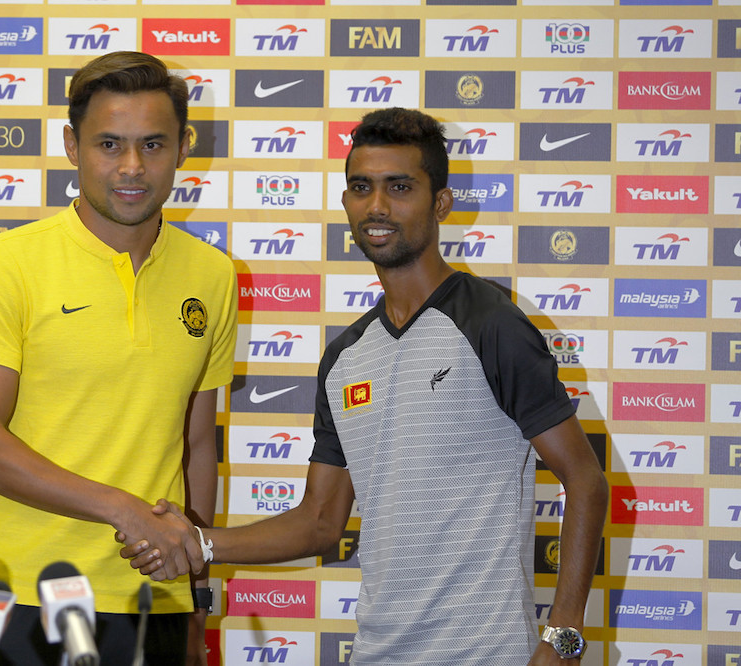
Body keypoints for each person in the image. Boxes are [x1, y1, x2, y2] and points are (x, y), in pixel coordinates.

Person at [120, 108, 608, 665]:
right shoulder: (346, 357)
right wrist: (198, 542)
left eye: (400, 187)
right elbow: (320, 523)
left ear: (441, 204)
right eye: (361, 188)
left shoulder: (490, 322)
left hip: (486, 653)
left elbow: (585, 481)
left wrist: (563, 637)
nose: (377, 206)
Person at [0, 51, 238, 665]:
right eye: (110, 144)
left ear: (184, 147)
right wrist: (123, 509)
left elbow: (198, 443)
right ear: (72, 147)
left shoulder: (212, 275)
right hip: (28, 598)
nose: (132, 167)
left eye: (153, 145)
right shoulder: (8, 263)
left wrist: (196, 590)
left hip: (156, 605)